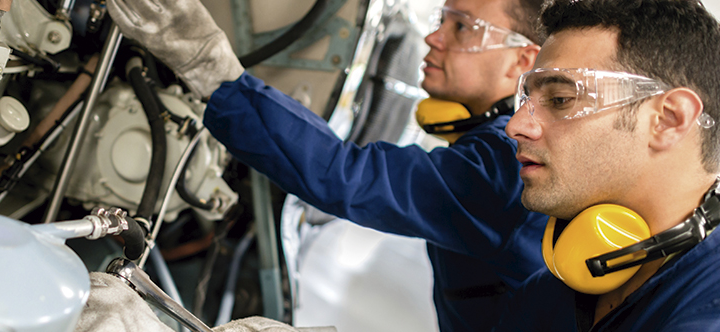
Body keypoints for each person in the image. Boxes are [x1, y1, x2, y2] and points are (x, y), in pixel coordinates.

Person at [96, 0, 547, 331]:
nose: (434, 37)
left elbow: (346, 175)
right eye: (441, 19)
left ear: (523, 60)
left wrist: (208, 66)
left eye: (464, 27)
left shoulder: (504, 165)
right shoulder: (492, 150)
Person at [493, 0, 720, 330]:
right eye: (527, 100)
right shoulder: (547, 295)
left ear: (669, 120)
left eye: (560, 100)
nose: (515, 125)